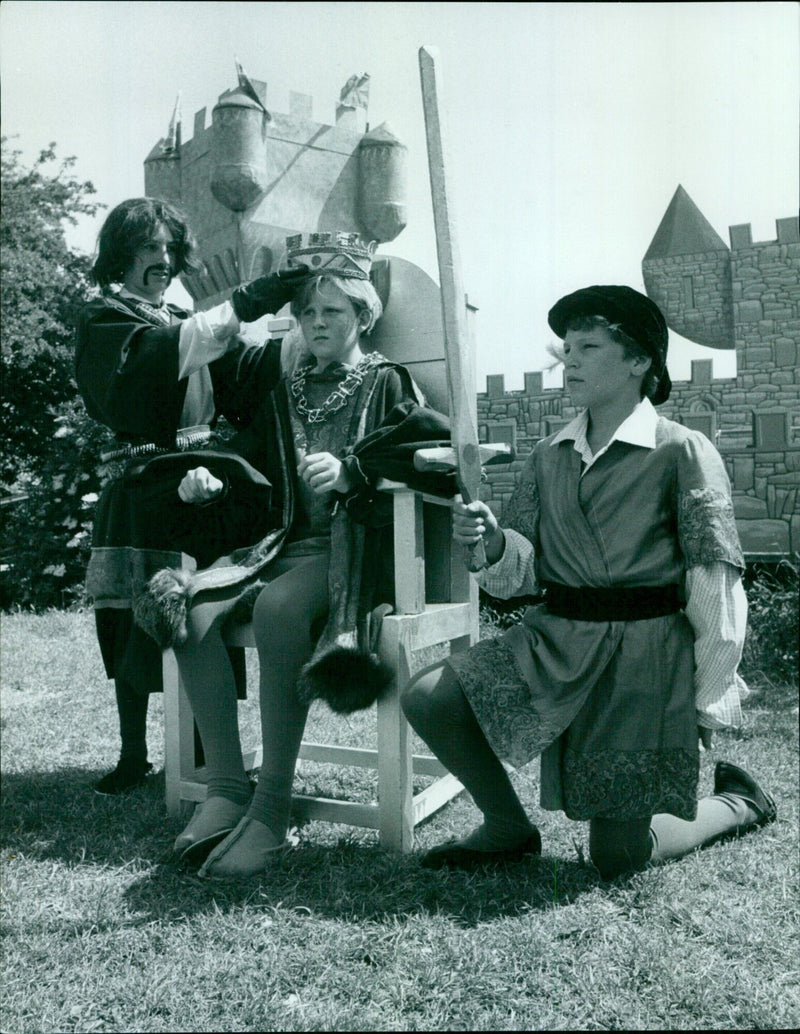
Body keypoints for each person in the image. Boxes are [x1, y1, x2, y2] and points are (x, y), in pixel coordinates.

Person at [401, 285, 776, 880]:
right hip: (556, 641)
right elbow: (519, 575)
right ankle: (507, 827)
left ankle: (737, 803)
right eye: (567, 347)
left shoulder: (683, 451)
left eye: (589, 346)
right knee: (429, 697)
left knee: (618, 858)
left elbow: (715, 585)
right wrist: (493, 543)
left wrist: (705, 699)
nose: (570, 359)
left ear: (639, 361)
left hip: (644, 662)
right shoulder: (550, 454)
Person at [132, 232, 452, 876]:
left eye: (331, 312)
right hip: (280, 544)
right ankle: (227, 789)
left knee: (279, 610)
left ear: (363, 314)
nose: (316, 324)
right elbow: (247, 458)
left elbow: (436, 456)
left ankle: (272, 812)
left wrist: (354, 470)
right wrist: (212, 478)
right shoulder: (289, 390)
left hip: (356, 552)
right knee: (188, 606)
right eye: (307, 313)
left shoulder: (389, 383)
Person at [76, 197, 307, 795]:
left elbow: (237, 378)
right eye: (148, 248)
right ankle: (133, 756)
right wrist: (255, 296)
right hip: (139, 484)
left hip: (199, 487)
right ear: (121, 254)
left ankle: (210, 753)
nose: (162, 259)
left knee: (204, 606)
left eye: (169, 249)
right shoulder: (104, 318)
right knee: (133, 614)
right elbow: (158, 363)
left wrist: (303, 333)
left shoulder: (178, 318)